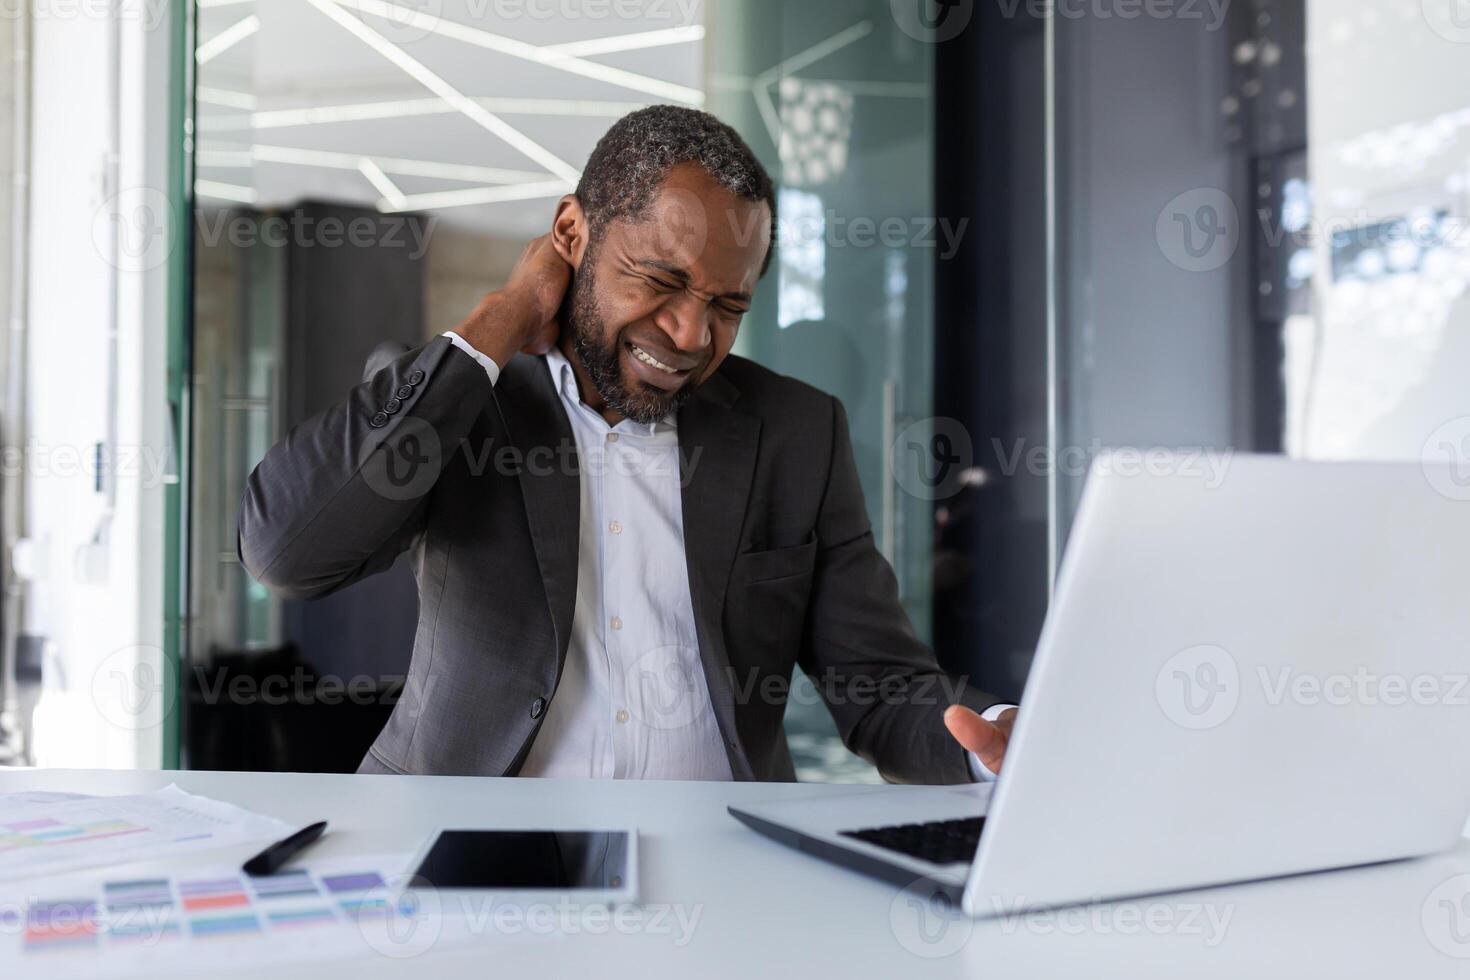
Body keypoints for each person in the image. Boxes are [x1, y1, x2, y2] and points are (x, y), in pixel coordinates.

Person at [237, 105, 1017, 782]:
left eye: (726, 304)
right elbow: (287, 552)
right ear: (572, 233)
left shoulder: (796, 433)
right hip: (471, 851)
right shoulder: (462, 401)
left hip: (718, 865)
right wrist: (507, 312)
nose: (689, 333)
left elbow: (878, 686)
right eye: (660, 280)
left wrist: (987, 748)